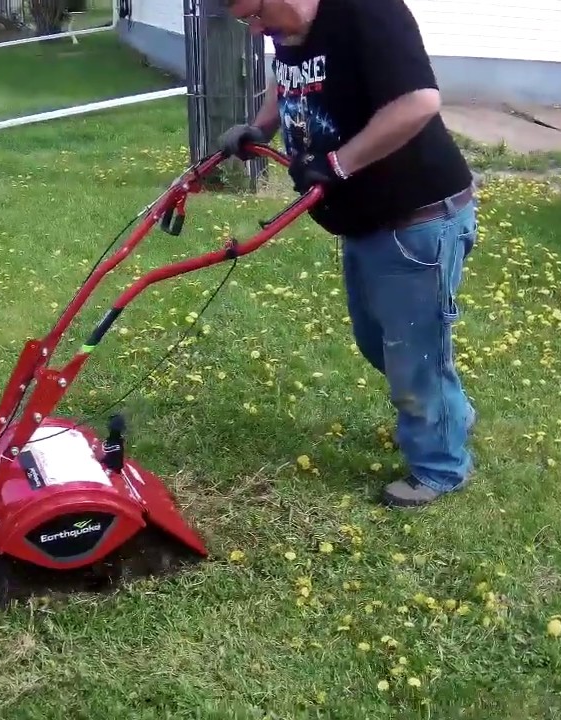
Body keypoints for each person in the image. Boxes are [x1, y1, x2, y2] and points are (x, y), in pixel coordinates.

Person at [218, 0, 479, 508]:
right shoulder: (287, 25)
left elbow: (418, 101)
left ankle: (442, 467)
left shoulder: (367, 10)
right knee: (376, 343)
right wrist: (263, 126)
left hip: (418, 218)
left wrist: (338, 163)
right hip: (367, 225)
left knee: (414, 358)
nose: (254, 30)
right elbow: (289, 78)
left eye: (253, 14)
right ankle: (450, 412)